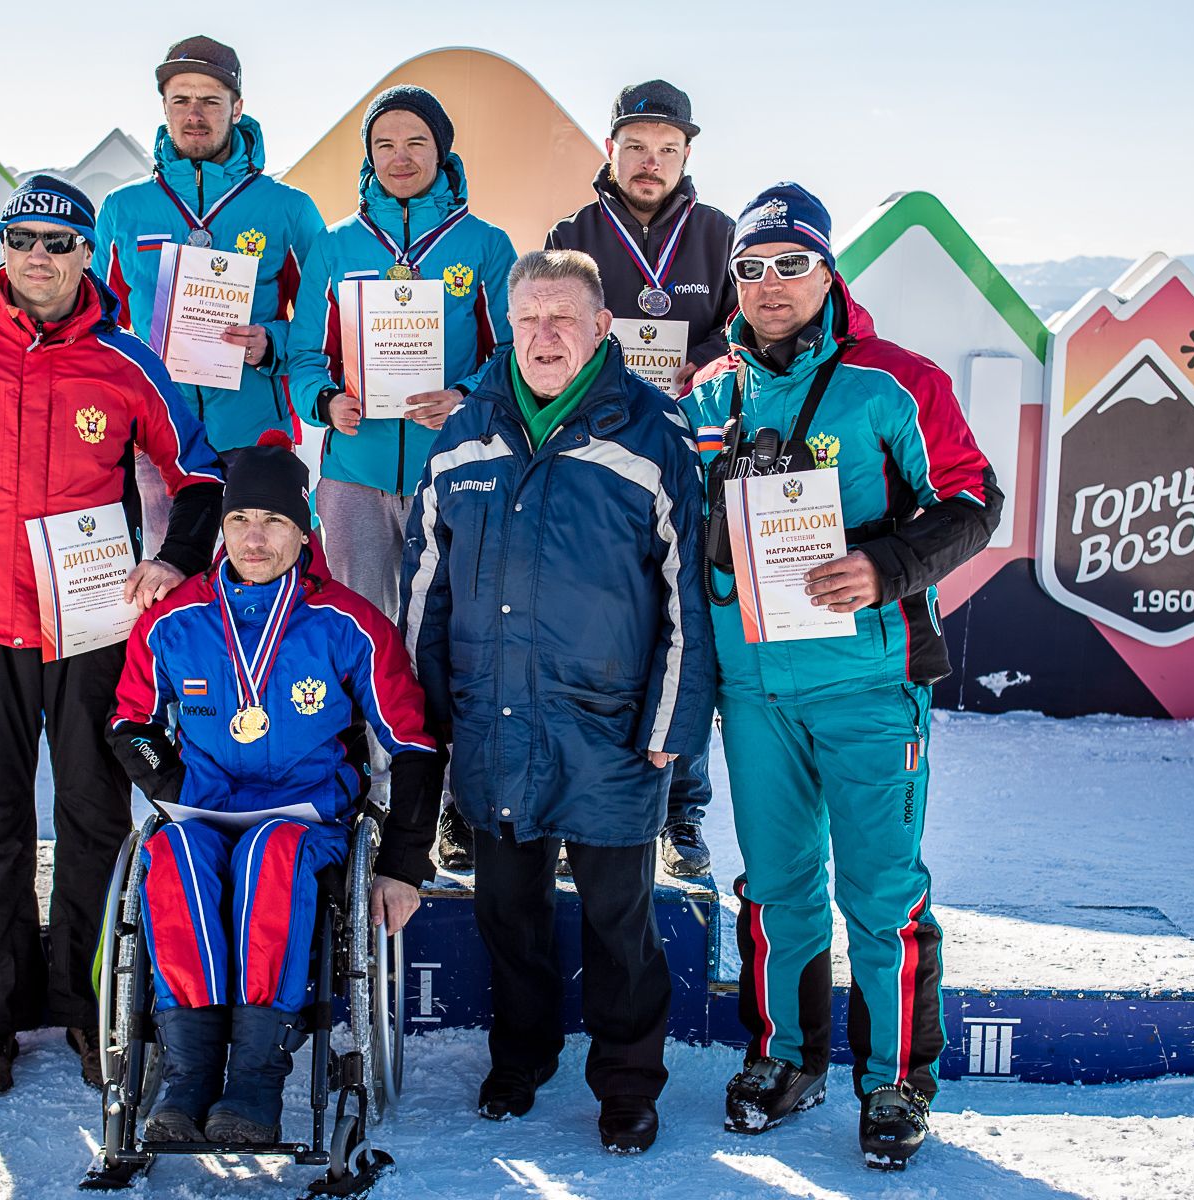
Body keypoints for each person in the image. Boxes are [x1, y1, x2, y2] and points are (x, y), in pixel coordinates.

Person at [0, 175, 226, 1097]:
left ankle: (86, 1008)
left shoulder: (126, 361)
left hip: (92, 629)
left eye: (60, 243)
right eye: (24, 239)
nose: (41, 256)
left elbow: (201, 478)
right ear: (3, 249)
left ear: (84, 256)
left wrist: (170, 563)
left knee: (95, 819)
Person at [681, 184, 1002, 1170]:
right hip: (754, 690)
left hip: (868, 681)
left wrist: (887, 567)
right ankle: (786, 1058)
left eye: (790, 264)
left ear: (827, 274)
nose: (770, 284)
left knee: (880, 890)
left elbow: (973, 499)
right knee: (776, 888)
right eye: (751, 266)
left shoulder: (891, 384)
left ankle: (895, 1078)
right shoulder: (710, 394)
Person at [401, 249, 714, 1153]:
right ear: (504, 325)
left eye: (563, 318)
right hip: (495, 718)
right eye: (528, 317)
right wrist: (430, 720)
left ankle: (626, 1082)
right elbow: (428, 591)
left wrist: (668, 726)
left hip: (610, 729)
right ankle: (522, 1053)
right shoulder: (463, 438)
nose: (543, 336)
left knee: (621, 919)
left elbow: (685, 596)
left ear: (601, 328)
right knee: (510, 908)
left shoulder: (654, 435)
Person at [107, 431, 445, 1144]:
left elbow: (412, 743)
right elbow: (128, 722)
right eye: (238, 521)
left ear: (303, 529)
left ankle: (256, 1079)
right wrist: (170, 782)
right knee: (172, 859)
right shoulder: (176, 620)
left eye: (273, 523)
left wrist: (404, 865)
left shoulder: (348, 622)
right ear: (221, 526)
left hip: (304, 819)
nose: (253, 539)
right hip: (204, 811)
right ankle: (189, 1073)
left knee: (271, 856)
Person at [288, 84, 516, 869]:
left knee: (446, 638)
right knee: (356, 630)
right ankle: (367, 792)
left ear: (443, 151)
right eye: (384, 144)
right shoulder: (338, 244)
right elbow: (302, 358)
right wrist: (327, 401)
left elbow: (513, 358)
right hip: (353, 475)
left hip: (449, 477)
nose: (400, 157)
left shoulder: (484, 245)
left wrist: (464, 398)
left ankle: (448, 802)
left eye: (416, 141)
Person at [545, 79, 737, 880]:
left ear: (687, 153)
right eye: (637, 147)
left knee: (683, 636)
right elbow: (544, 333)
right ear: (611, 148)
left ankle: (682, 815)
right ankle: (567, 804)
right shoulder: (572, 234)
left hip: (689, 463)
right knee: (588, 639)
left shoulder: (722, 234)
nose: (650, 163)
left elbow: (747, 330)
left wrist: (711, 358)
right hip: (593, 468)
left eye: (667, 149)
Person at [93, 35, 326, 553]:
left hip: (254, 433)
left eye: (210, 100)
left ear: (237, 107)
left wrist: (272, 343)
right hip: (155, 438)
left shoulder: (288, 209)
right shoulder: (123, 209)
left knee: (260, 575)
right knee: (165, 580)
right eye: (181, 100)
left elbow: (323, 321)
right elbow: (96, 323)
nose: (194, 114)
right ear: (164, 107)